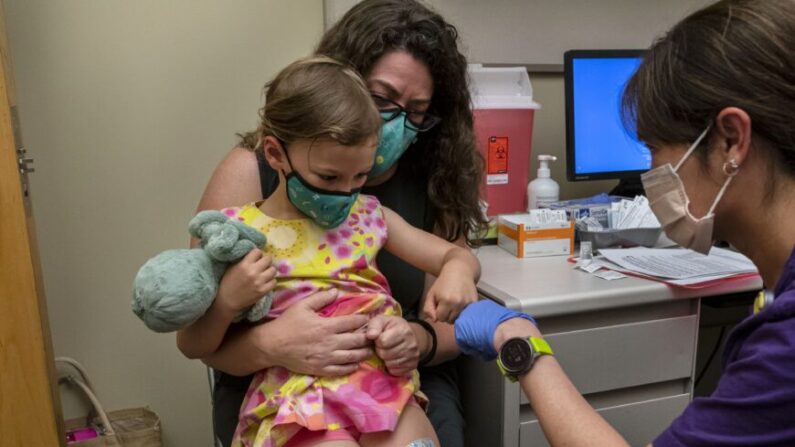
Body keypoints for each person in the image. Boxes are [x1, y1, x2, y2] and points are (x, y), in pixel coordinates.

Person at [454, 0, 795, 445]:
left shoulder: (784, 349)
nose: (649, 174)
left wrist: (520, 343)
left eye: (654, 149)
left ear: (731, 140)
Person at [190, 1, 486, 446]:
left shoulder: (374, 210)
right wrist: (272, 341)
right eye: (382, 98)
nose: (395, 121)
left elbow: (453, 268)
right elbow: (195, 335)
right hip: (285, 382)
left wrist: (417, 334)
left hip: (386, 377)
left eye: (417, 109)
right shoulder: (242, 214)